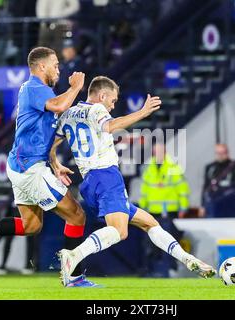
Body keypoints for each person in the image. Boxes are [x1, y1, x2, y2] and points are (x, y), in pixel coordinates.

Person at [0, 47, 98, 287]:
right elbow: (59, 106)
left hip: (21, 166)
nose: (59, 69)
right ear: (41, 67)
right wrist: (77, 87)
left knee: (31, 226)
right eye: (55, 65)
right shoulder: (35, 87)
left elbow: (46, 134)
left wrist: (55, 163)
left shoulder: (40, 91)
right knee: (77, 215)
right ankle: (73, 276)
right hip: (30, 168)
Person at [53, 76, 216, 286]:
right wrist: (143, 112)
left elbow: (53, 143)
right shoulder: (96, 110)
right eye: (112, 101)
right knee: (120, 231)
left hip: (89, 183)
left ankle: (189, 260)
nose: (112, 107)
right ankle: (74, 255)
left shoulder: (68, 114)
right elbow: (110, 126)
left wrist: (55, 165)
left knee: (150, 223)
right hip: (106, 176)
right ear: (102, 95)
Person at [138, 142, 189, 276]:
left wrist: (183, 207)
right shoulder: (148, 168)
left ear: (165, 152)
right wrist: (142, 208)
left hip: (169, 211)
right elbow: (144, 190)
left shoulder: (173, 167)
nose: (159, 154)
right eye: (156, 151)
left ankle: (169, 269)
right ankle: (151, 270)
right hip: (152, 211)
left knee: (169, 240)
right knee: (150, 242)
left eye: (161, 151)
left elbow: (182, 188)